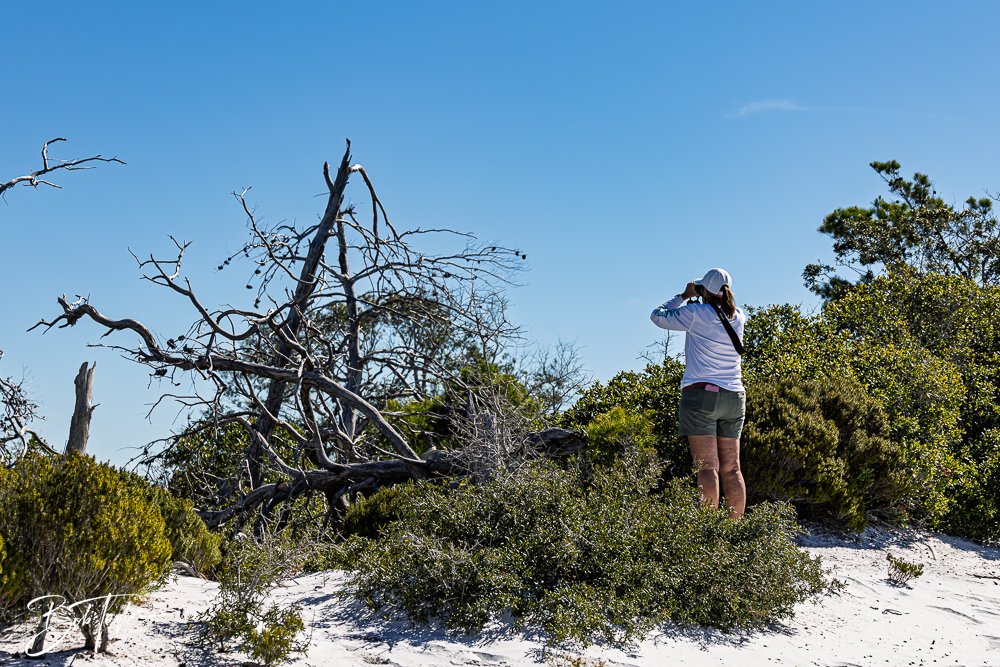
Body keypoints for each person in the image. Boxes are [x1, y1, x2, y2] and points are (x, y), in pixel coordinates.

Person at [650, 268, 747, 518]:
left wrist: (683, 295)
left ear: (704, 290)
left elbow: (658, 316)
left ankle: (708, 529)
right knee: (732, 468)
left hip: (702, 394)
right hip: (734, 396)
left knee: (707, 466)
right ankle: (735, 531)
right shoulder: (739, 316)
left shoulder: (695, 313)